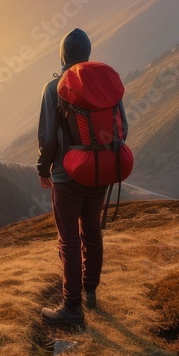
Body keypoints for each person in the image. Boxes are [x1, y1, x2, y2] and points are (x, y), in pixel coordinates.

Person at [37, 28, 127, 325]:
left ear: (62, 55)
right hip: (101, 173)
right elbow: (122, 129)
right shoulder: (107, 84)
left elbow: (49, 138)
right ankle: (90, 292)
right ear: (88, 53)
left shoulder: (55, 88)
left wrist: (43, 168)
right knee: (92, 232)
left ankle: (71, 308)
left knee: (69, 240)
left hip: (67, 176)